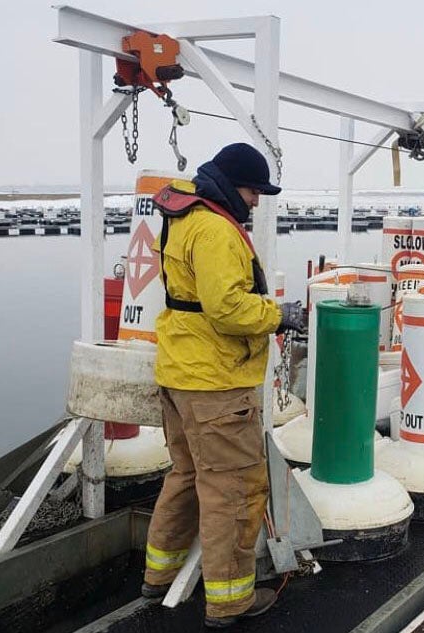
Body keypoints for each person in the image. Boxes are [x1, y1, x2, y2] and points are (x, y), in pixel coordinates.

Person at [141, 142, 305, 629]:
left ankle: (157, 575)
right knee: (233, 490)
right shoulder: (215, 229)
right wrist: (280, 315)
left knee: (187, 477)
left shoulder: (185, 216)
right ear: (235, 184)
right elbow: (228, 308)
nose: (257, 201)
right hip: (215, 383)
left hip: (180, 373)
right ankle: (230, 601)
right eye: (255, 191)